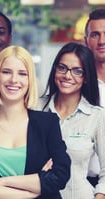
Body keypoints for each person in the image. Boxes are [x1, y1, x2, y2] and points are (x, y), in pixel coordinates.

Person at [0, 45, 71, 199]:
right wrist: (32, 188)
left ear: (29, 80)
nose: (14, 80)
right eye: (6, 72)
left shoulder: (48, 123)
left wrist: (0, 182)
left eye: (22, 73)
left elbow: (60, 175)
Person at [41, 42, 105, 199]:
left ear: (86, 78)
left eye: (77, 71)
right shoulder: (34, 108)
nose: (67, 76)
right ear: (55, 69)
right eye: (62, 68)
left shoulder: (96, 116)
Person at [84, 8, 105, 187]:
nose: (102, 41)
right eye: (95, 35)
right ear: (86, 41)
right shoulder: (76, 84)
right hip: (86, 183)